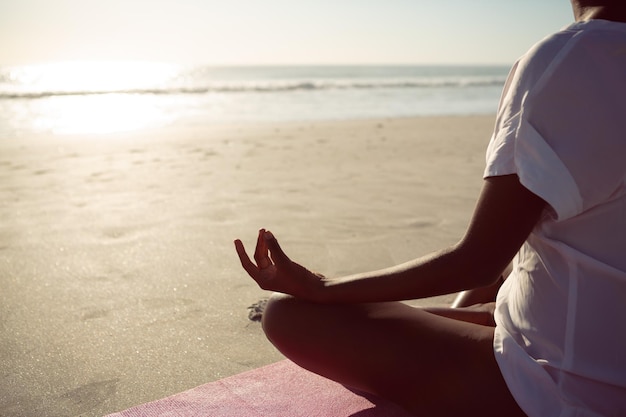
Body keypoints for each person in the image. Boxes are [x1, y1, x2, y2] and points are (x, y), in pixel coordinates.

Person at [234, 2, 626, 415]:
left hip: (570, 389)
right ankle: (458, 321)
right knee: (492, 295)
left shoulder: (572, 59)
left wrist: (321, 288)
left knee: (287, 315)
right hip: (595, 335)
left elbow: (478, 263)